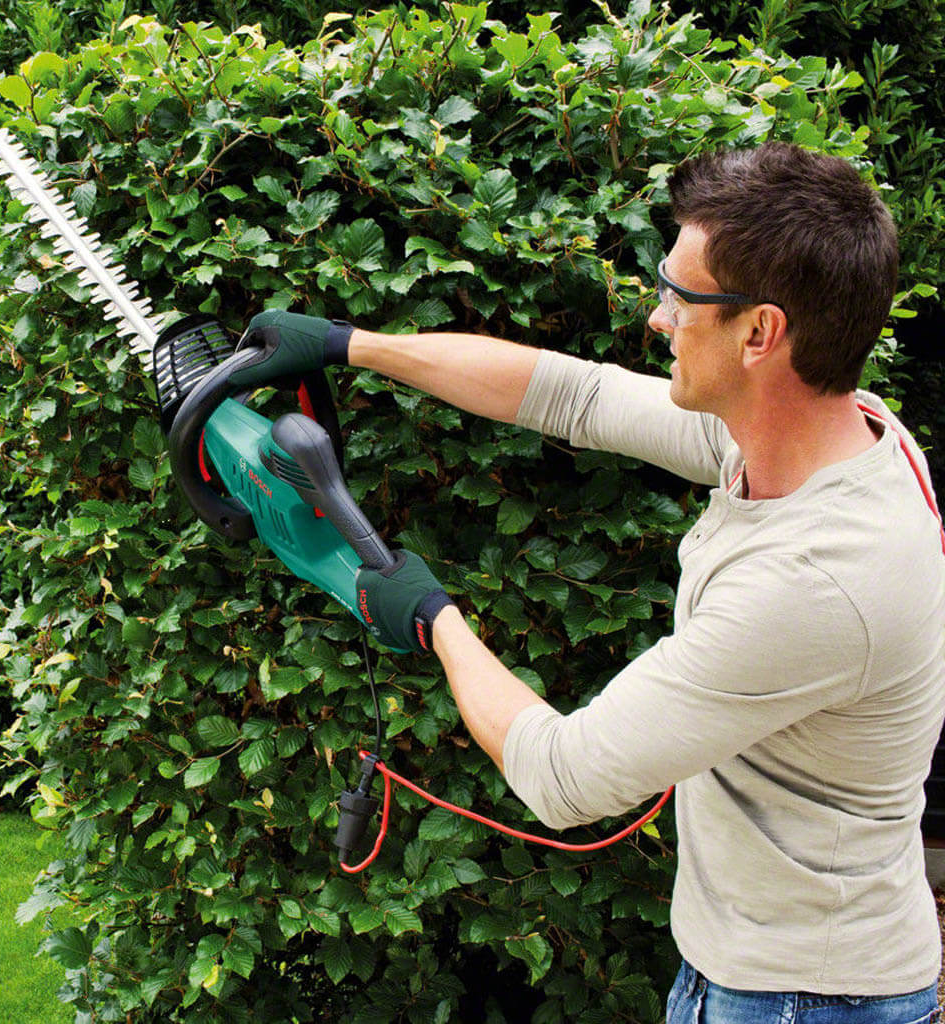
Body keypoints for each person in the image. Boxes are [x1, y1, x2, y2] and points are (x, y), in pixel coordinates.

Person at [241, 141, 945, 1022]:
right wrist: (351, 345)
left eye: (680, 298)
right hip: (770, 971)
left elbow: (562, 776)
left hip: (800, 998)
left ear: (760, 334)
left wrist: (429, 616)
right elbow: (574, 395)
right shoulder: (832, 433)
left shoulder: (816, 581)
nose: (658, 318)